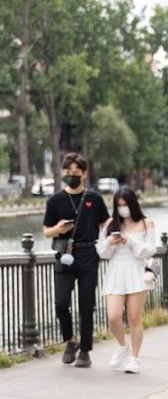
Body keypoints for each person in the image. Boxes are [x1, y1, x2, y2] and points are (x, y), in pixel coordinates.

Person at [42, 153, 110, 368]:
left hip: (89, 254)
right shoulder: (55, 201)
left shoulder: (94, 199)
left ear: (84, 174)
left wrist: (118, 233)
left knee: (86, 305)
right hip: (64, 255)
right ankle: (69, 341)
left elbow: (106, 223)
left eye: (76, 173)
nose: (71, 177)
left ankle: (85, 351)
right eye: (68, 173)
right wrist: (58, 229)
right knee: (61, 303)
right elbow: (46, 232)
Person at [96, 187, 157, 374]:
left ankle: (135, 358)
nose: (123, 208)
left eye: (125, 204)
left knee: (134, 318)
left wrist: (130, 241)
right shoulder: (110, 224)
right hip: (116, 271)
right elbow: (101, 252)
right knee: (113, 316)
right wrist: (109, 243)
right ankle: (123, 346)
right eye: (119, 205)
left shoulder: (146, 223)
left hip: (136, 272)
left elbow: (149, 250)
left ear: (133, 204)